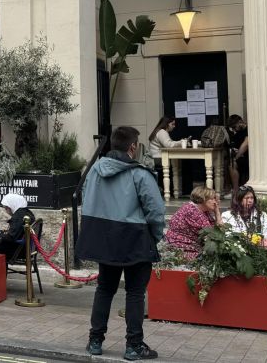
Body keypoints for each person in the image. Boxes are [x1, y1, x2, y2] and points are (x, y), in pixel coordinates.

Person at [76, 126, 165, 361]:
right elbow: (156, 211)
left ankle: (95, 340)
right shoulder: (139, 173)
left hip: (105, 238)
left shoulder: (95, 169)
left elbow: (87, 199)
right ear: (133, 147)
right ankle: (133, 345)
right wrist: (155, 236)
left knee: (104, 289)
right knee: (135, 292)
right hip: (134, 237)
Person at [166, 186, 220, 260]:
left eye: (215, 199)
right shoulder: (192, 211)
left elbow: (218, 232)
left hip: (192, 246)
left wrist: (217, 212)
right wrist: (217, 213)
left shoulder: (202, 210)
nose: (215, 202)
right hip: (181, 249)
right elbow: (216, 235)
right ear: (203, 199)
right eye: (212, 199)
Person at [0, 194, 35, 262]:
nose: (6, 210)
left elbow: (10, 238)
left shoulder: (18, 217)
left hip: (17, 251)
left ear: (12, 206)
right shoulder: (27, 212)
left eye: (6, 208)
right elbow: (17, 232)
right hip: (25, 248)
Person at [146, 117, 181, 194]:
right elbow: (169, 145)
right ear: (167, 124)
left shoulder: (158, 131)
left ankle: (172, 190)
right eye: (172, 124)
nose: (174, 126)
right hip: (158, 158)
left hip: (154, 158)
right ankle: (173, 190)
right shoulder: (162, 132)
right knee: (178, 165)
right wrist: (181, 142)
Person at [228, 115, 250, 190]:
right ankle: (235, 189)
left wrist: (236, 157)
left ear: (240, 122)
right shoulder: (237, 134)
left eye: (234, 127)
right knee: (230, 164)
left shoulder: (249, 129)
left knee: (233, 163)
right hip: (242, 157)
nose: (234, 129)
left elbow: (246, 145)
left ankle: (237, 190)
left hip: (250, 156)